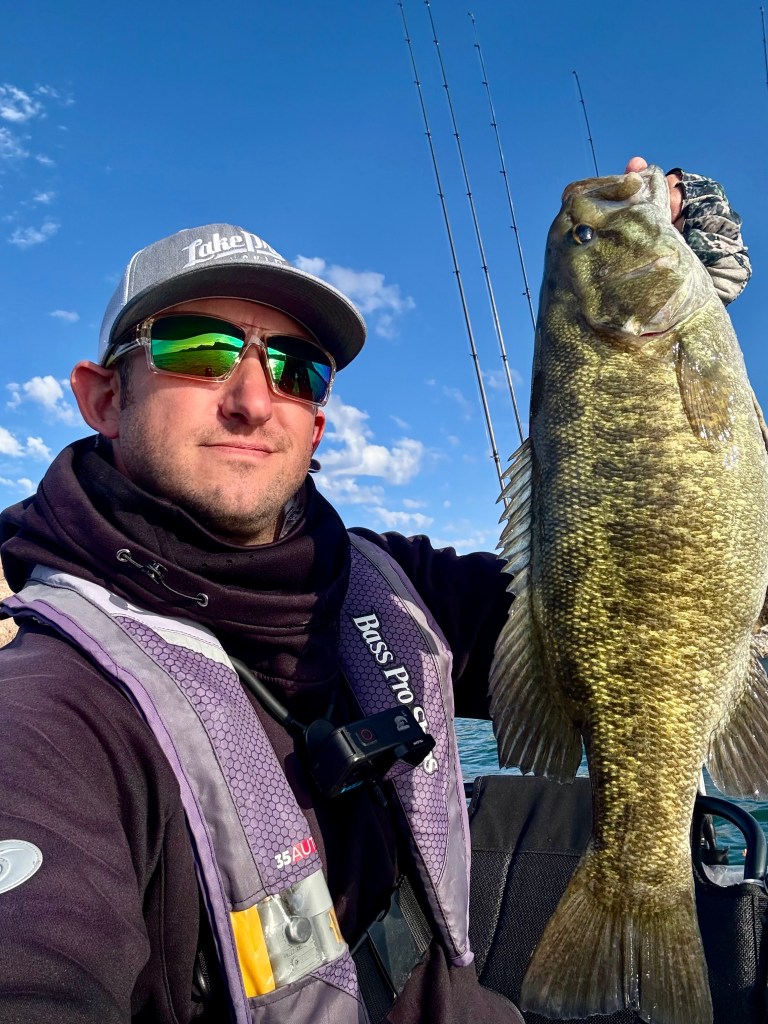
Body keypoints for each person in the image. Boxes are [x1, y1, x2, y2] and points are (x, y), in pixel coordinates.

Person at [0, 160, 751, 1024]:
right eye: (198, 349)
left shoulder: (392, 589)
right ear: (103, 396)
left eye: (297, 368)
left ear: (316, 424)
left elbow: (613, 596)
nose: (253, 398)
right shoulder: (49, 710)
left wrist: (691, 247)